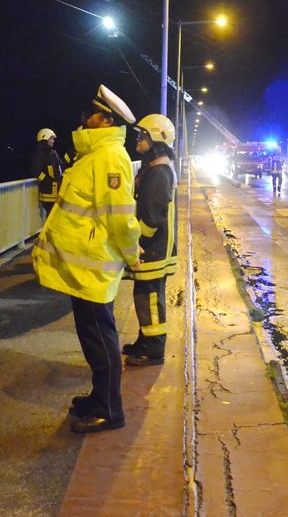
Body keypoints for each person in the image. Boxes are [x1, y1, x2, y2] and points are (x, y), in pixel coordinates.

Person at [33, 84, 140, 433]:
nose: (83, 119)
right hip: (83, 266)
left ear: (105, 119)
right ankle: (99, 397)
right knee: (92, 336)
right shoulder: (96, 155)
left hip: (94, 267)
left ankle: (110, 410)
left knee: (100, 339)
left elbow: (120, 216)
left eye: (90, 114)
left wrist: (131, 255)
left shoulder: (109, 157)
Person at [123, 114, 178, 367]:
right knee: (144, 295)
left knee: (151, 297)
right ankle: (145, 340)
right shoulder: (156, 167)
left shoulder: (158, 172)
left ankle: (154, 350)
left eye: (142, 134)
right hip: (154, 246)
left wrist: (138, 242)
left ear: (156, 138)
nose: (138, 138)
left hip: (153, 247)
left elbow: (153, 216)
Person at [31, 128, 64, 217]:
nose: (53, 141)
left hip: (57, 192)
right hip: (48, 193)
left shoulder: (53, 153)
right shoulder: (40, 155)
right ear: (45, 139)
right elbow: (36, 172)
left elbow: (60, 167)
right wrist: (49, 181)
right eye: (51, 139)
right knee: (51, 216)